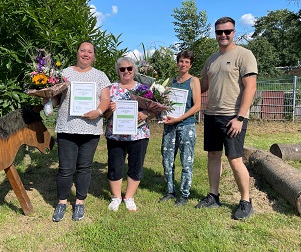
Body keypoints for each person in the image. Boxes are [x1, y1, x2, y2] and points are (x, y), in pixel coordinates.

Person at [195, 17, 258, 220]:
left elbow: (251, 87)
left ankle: (246, 201)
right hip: (212, 114)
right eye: (219, 32)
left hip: (233, 116)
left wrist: (240, 117)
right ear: (215, 34)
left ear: (234, 32)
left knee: (235, 158)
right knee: (213, 155)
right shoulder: (212, 59)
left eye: (227, 31)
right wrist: (178, 87)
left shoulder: (244, 55)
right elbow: (201, 86)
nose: (223, 35)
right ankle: (214, 196)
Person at [51, 41, 111, 222]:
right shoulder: (64, 74)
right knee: (65, 168)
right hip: (67, 127)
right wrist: (47, 99)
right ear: (77, 53)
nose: (86, 54)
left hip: (90, 129)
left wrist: (99, 112)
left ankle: (79, 203)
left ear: (94, 55)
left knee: (84, 168)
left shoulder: (100, 76)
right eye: (82, 50)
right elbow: (55, 98)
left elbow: (105, 99)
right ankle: (61, 202)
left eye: (89, 51)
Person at [103, 57, 154, 212]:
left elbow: (154, 109)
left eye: (129, 69)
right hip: (115, 135)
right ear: (118, 71)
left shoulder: (144, 89)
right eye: (122, 69)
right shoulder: (110, 89)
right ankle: (116, 197)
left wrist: (146, 114)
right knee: (115, 166)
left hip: (138, 135)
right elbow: (104, 115)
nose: (126, 72)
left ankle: (129, 197)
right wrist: (109, 110)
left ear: (134, 70)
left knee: (136, 166)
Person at [158, 50, 201, 206]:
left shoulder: (194, 81)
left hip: (186, 125)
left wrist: (180, 118)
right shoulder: (171, 82)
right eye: (181, 61)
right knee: (167, 159)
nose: (183, 64)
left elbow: (197, 105)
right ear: (177, 62)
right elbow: (165, 103)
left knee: (186, 160)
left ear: (190, 64)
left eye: (187, 62)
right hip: (170, 125)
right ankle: (170, 191)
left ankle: (184, 194)